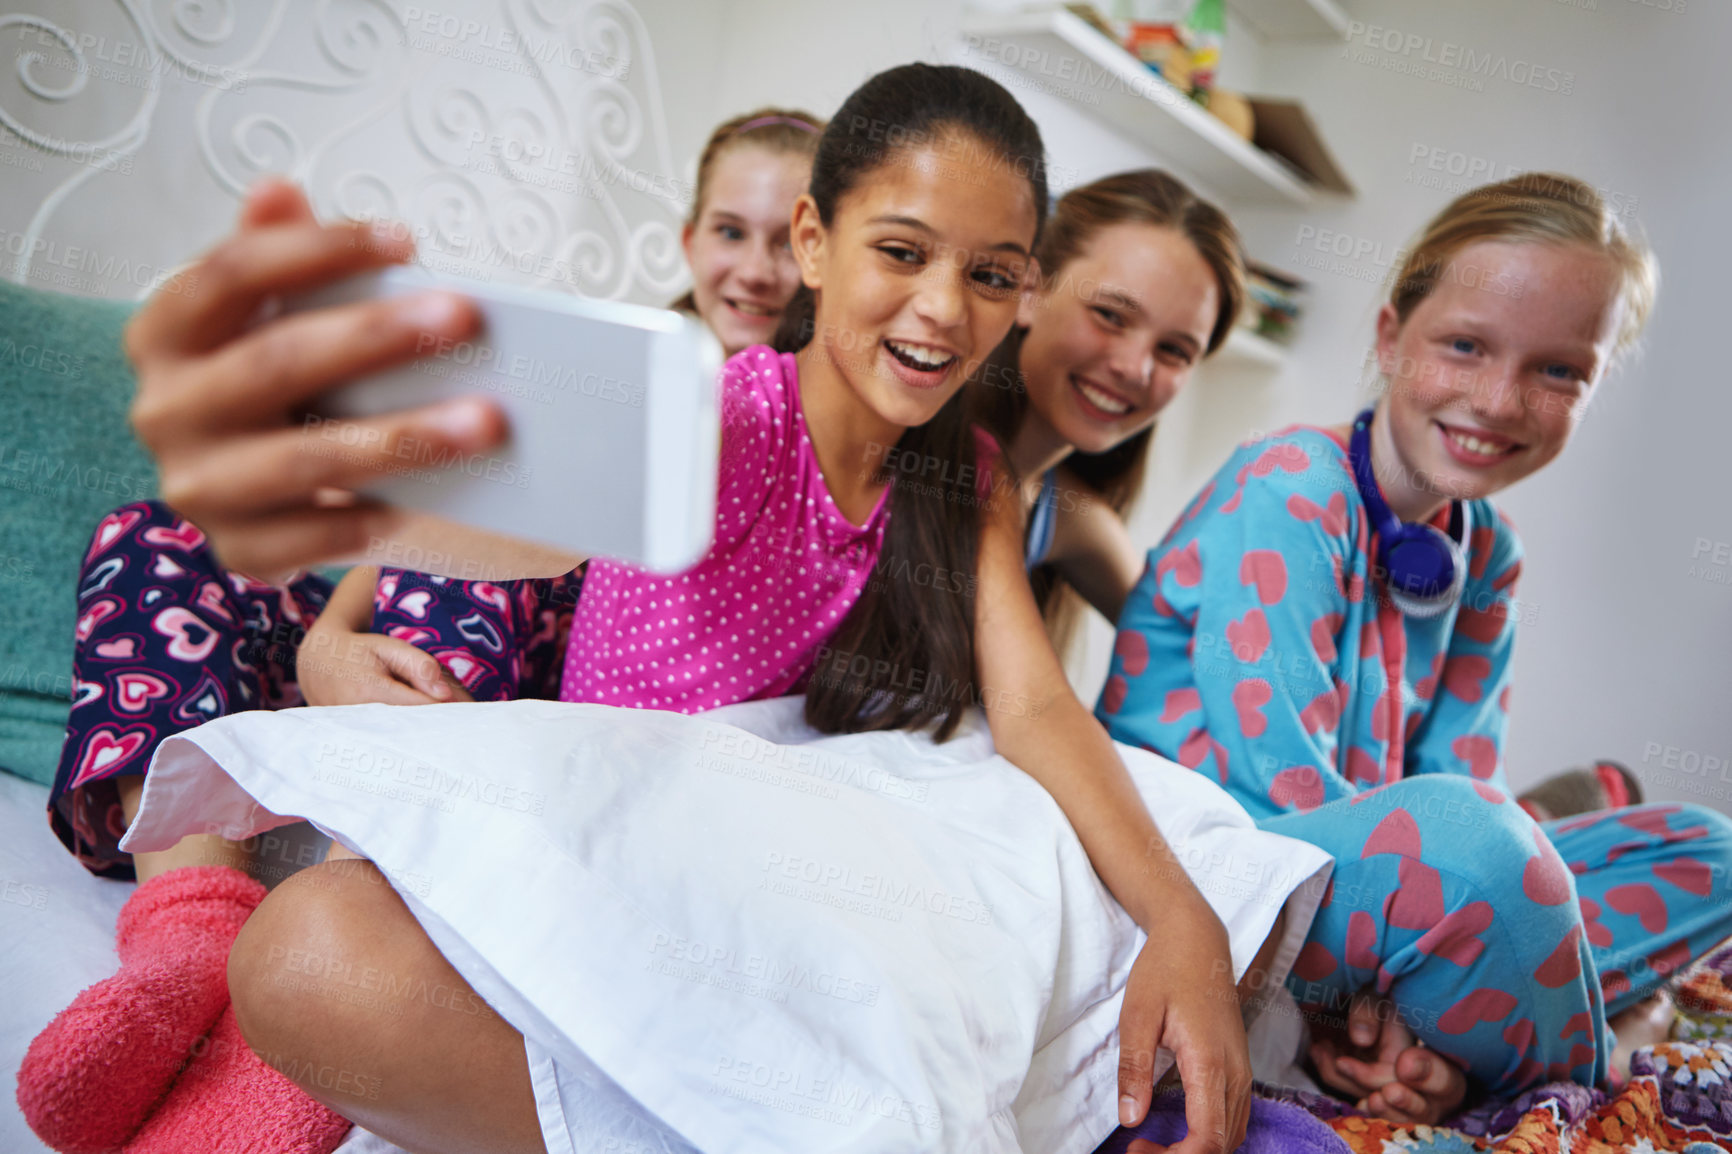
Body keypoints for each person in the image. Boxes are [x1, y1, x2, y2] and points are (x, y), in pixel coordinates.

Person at [111, 63, 1331, 1154]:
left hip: (771, 878)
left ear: (1022, 293)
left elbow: (1038, 706)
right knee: (308, 950)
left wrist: (1177, 916)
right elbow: (517, 522)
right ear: (815, 241)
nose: (943, 309)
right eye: (901, 252)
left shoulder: (966, 480)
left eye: (991, 275)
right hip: (616, 846)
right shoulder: (724, 413)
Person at [18, 108, 817, 1154]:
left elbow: (514, 564)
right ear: (687, 241)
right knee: (158, 536)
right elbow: (421, 529)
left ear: (819, 247)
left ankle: (335, 957)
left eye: (778, 239)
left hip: (532, 676)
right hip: (394, 632)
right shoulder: (612, 367)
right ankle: (190, 938)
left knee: (500, 564)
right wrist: (325, 644)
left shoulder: (810, 425)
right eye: (727, 230)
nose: (752, 268)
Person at [1096, 172, 1732, 1124]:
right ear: (1392, 338)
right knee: (1478, 849)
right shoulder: (1291, 484)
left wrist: (1422, 963)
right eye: (1466, 346)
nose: (1500, 399)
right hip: (1233, 873)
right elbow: (1280, 804)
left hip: (1389, 900)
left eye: (1560, 371)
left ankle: (1465, 1028)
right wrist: (1396, 985)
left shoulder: (1491, 553)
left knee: (1706, 851)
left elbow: (1471, 785)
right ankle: (1576, 1089)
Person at [970, 169, 1243, 653]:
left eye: (1174, 351)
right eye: (1110, 316)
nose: (1135, 369)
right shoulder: (902, 446)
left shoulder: (1066, 514)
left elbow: (1197, 654)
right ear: (1030, 291)